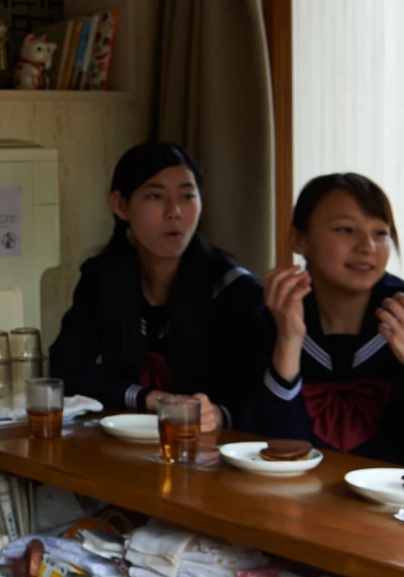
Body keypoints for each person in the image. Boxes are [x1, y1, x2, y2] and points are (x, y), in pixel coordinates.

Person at [251, 173, 404, 464]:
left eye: (380, 233)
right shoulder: (267, 319)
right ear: (299, 239)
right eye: (345, 230)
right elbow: (255, 447)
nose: (367, 246)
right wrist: (288, 343)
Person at [49, 142, 267, 433]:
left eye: (187, 196)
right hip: (123, 444)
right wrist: (147, 398)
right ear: (121, 206)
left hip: (206, 450)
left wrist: (219, 414)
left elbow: (256, 398)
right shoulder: (103, 277)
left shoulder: (234, 291)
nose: (174, 211)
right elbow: (65, 369)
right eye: (155, 196)